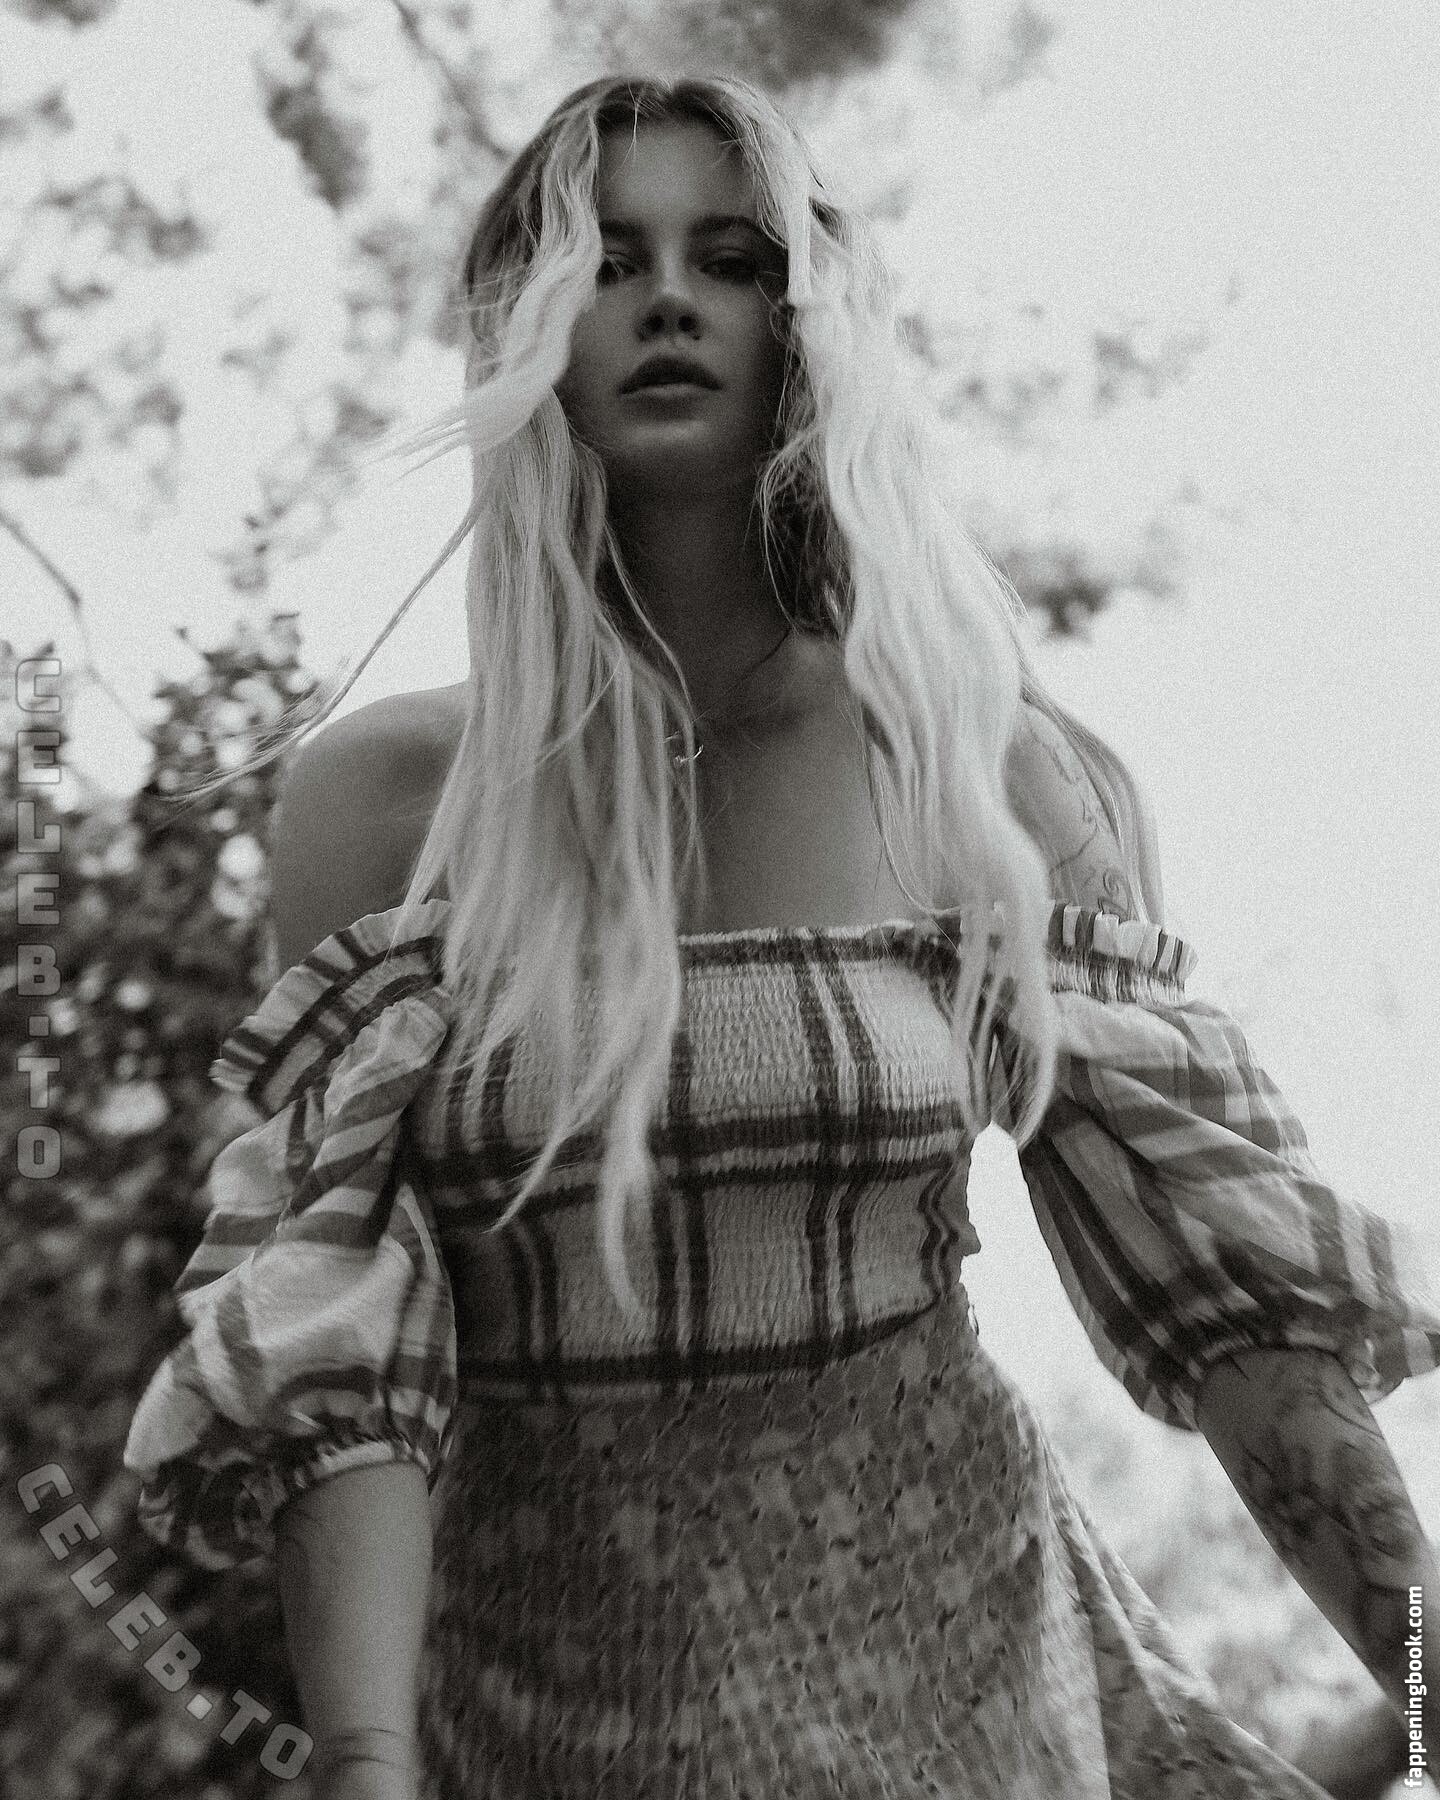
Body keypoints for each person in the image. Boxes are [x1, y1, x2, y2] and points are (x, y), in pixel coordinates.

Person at [123, 74, 1440, 1800]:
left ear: (807, 322)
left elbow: (1232, 1307)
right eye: (607, 260)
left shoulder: (978, 768)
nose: (669, 298)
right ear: (525, 330)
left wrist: (1431, 1696)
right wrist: (365, 1766)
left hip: (968, 1699)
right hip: (537, 1721)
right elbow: (341, 1340)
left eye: (732, 259)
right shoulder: (383, 805)